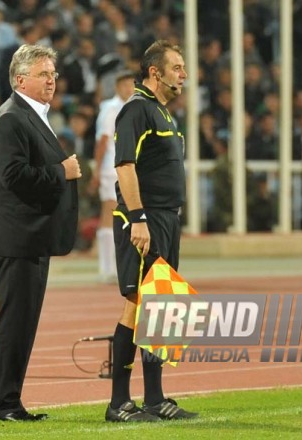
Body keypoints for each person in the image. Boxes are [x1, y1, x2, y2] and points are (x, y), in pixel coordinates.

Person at [0, 44, 81, 422]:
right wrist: (62, 172)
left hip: (29, 237)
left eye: (53, 73)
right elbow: (14, 176)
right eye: (43, 74)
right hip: (15, 237)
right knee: (15, 322)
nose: (52, 80)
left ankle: (10, 401)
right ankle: (2, 404)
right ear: (20, 79)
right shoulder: (11, 119)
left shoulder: (30, 116)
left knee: (23, 324)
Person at [106, 40, 198, 422]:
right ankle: (118, 404)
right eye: (177, 67)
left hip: (164, 219)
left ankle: (156, 399)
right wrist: (139, 218)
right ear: (154, 72)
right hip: (143, 219)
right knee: (137, 305)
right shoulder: (136, 111)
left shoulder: (162, 113)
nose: (185, 75)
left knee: (161, 306)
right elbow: (124, 167)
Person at [92, 69, 135, 282]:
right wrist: (97, 170)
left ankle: (121, 266)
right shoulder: (110, 109)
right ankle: (107, 267)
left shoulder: (136, 107)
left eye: (132, 85)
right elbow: (102, 141)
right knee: (109, 213)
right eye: (125, 85)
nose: (129, 88)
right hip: (112, 167)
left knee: (129, 216)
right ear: (118, 87)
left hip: (131, 168)